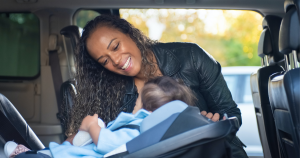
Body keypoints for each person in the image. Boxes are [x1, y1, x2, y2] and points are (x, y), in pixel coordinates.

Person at [60, 14, 247, 157]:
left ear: (129, 33)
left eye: (115, 47)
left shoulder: (191, 57)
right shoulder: (108, 90)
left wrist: (213, 121)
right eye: (104, 61)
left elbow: (231, 113)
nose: (116, 61)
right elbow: (99, 139)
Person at [4, 76, 196, 158]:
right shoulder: (151, 131)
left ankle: (23, 154)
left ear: (148, 108)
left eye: (139, 99)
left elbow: (107, 142)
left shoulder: (140, 131)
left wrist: (91, 126)